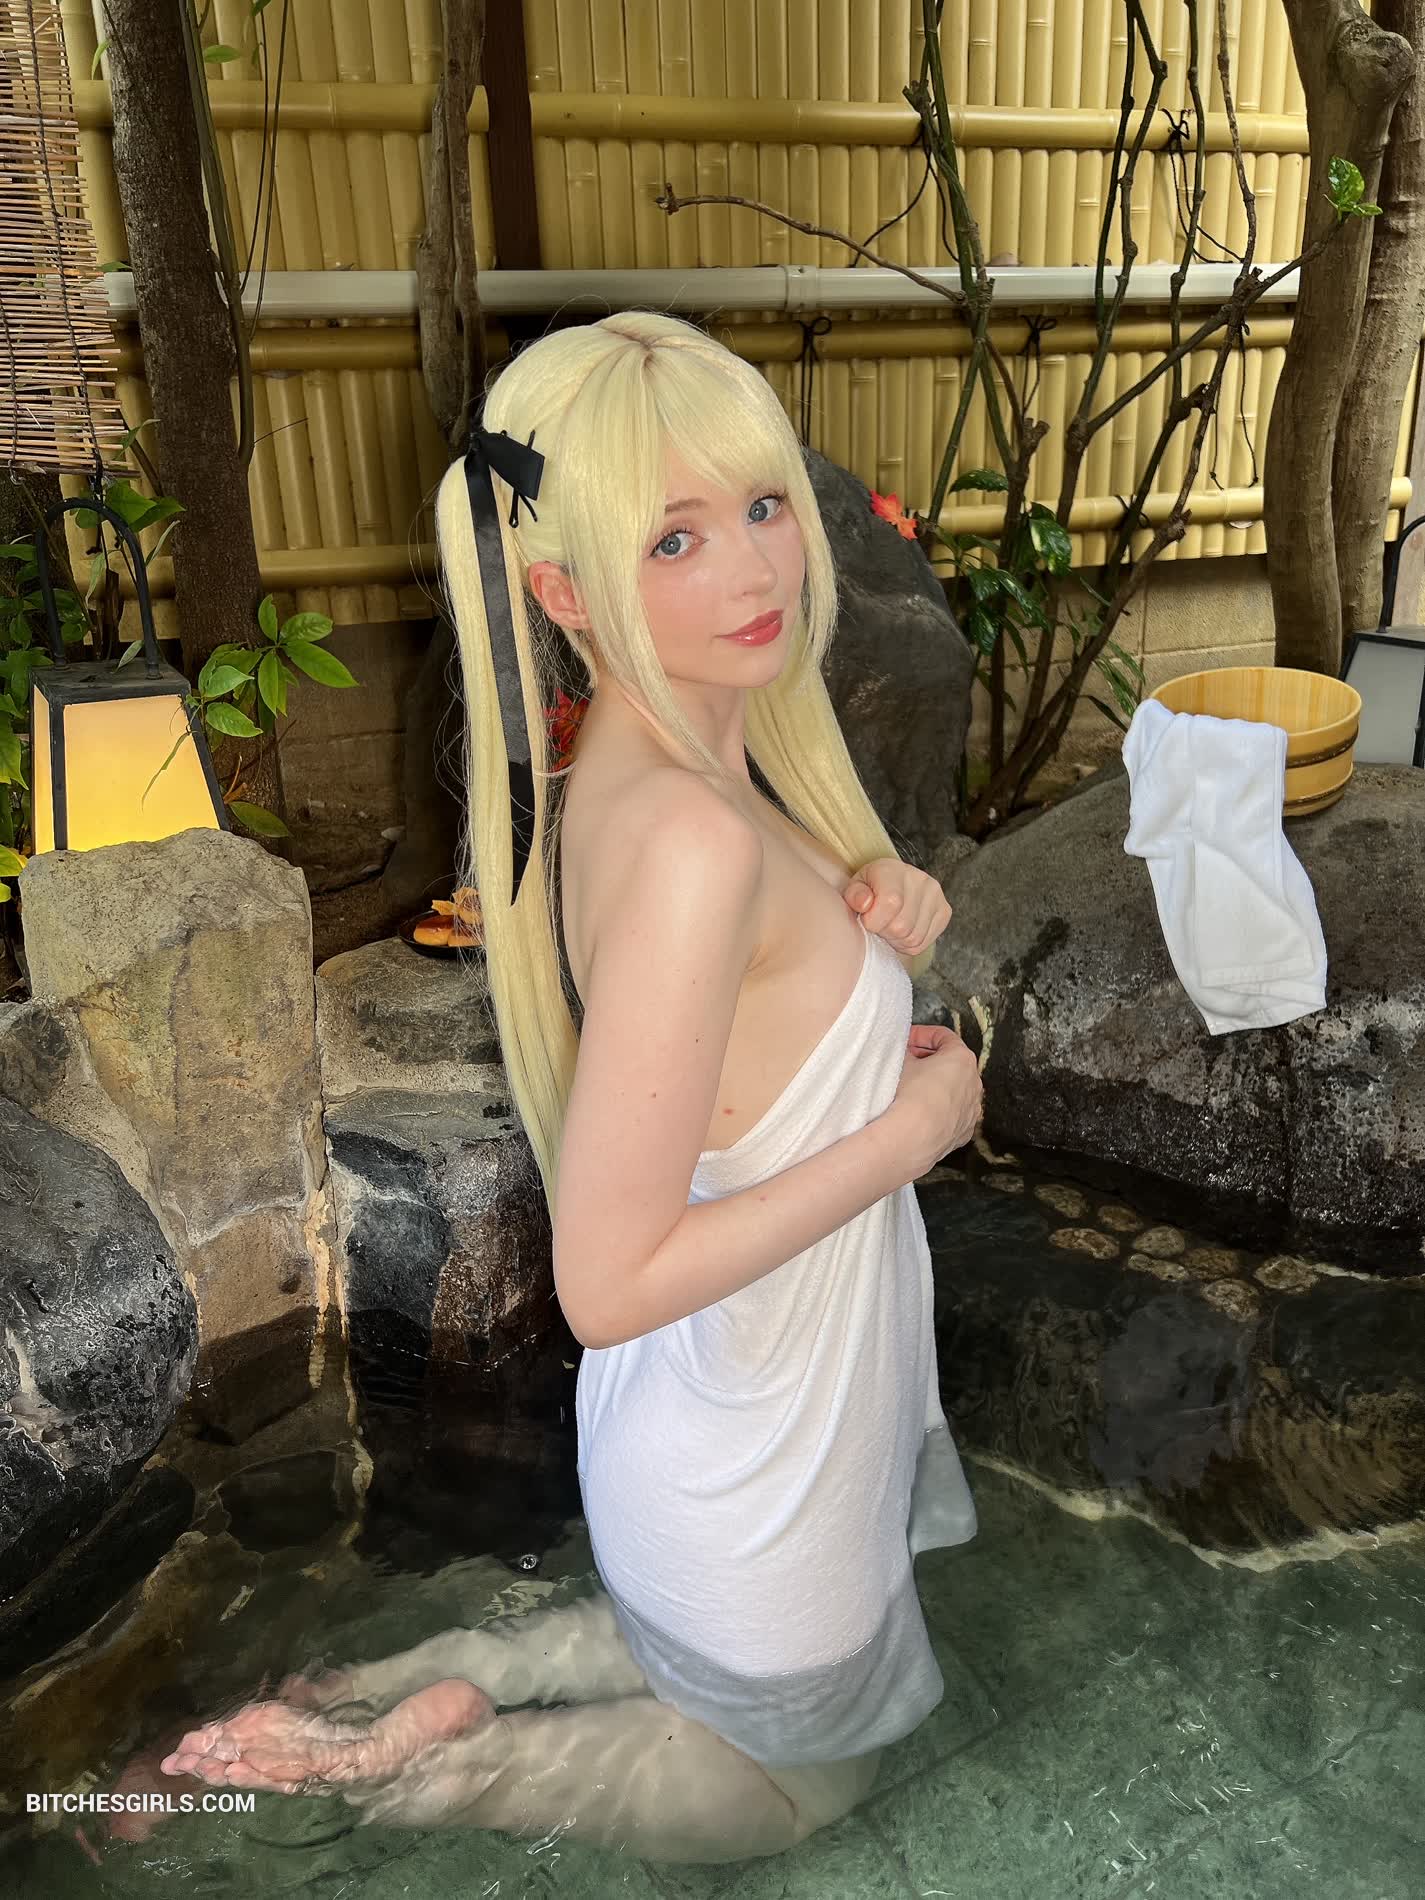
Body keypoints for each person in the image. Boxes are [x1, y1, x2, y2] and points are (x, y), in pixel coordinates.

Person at [158, 310, 985, 1864]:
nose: (753, 567)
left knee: (731, 1688)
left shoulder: (660, 778)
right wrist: (912, 1132)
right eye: (673, 539)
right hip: (756, 1450)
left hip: (738, 1414)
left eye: (759, 506)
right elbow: (608, 1284)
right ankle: (426, 1768)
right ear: (563, 592)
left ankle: (441, 1678)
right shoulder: (693, 841)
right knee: (805, 1796)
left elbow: (740, 1054)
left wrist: (880, 913)